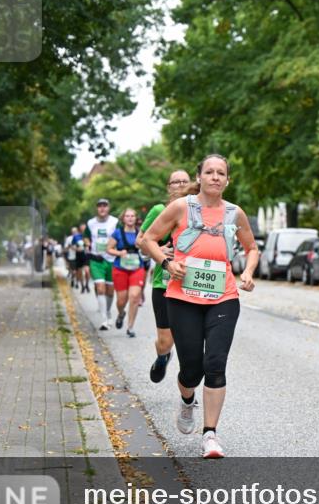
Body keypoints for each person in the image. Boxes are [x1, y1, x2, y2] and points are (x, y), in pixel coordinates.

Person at [139, 155, 258, 458]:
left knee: (215, 363)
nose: (215, 177)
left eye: (221, 173)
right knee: (191, 369)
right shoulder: (182, 207)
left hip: (224, 297)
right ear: (200, 176)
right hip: (182, 297)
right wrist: (167, 262)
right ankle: (187, 398)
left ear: (227, 180)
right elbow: (149, 239)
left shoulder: (235, 213)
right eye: (210, 172)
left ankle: (210, 435)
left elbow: (251, 247)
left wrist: (247, 271)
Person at [137, 169, 191, 382]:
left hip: (191, 283)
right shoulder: (159, 210)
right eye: (175, 182)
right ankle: (163, 356)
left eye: (184, 181)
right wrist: (161, 253)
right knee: (166, 341)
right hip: (164, 283)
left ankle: (189, 384)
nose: (179, 185)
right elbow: (141, 241)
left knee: (190, 341)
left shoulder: (198, 210)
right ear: (169, 187)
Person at [107, 208, 146, 337]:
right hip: (120, 268)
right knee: (121, 300)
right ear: (123, 219)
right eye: (127, 216)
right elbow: (109, 249)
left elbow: (147, 247)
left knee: (134, 297)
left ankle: (130, 327)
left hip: (137, 268)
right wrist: (119, 253)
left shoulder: (140, 233)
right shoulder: (117, 233)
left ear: (136, 218)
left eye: (132, 216)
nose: (130, 218)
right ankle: (121, 313)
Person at [84, 199, 119, 330]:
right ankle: (104, 319)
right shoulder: (91, 223)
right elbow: (86, 236)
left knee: (110, 291)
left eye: (105, 206)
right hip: (96, 259)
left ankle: (108, 312)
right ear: (97, 209)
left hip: (111, 259)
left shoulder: (115, 222)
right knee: (100, 288)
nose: (102, 208)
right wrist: (87, 243)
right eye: (100, 206)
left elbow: (119, 236)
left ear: (108, 208)